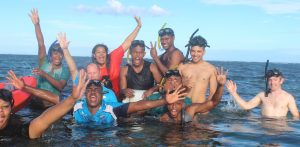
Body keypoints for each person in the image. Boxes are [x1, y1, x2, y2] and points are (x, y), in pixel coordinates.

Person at [0, 69, 87, 139]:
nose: (1, 112)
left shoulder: (18, 132)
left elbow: (44, 120)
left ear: (11, 107)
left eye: (5, 107)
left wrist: (72, 99)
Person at [73, 77, 186, 125]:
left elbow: (138, 106)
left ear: (102, 94)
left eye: (96, 90)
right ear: (84, 93)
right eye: (89, 90)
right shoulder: (75, 107)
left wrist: (164, 100)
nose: (93, 92)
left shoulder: (111, 108)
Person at [57, 32, 117, 102]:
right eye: (89, 73)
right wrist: (65, 49)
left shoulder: (109, 93)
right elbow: (73, 70)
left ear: (99, 73)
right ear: (86, 75)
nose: (92, 76)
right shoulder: (81, 88)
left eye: (94, 73)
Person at [91, 16, 142, 99]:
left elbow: (128, 42)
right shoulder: (92, 70)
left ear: (107, 53)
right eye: (98, 52)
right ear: (94, 55)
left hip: (118, 97)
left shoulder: (113, 57)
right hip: (101, 100)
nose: (101, 55)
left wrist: (138, 26)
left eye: (103, 52)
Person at [29, 9, 70, 108]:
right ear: (50, 55)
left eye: (60, 54)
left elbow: (60, 86)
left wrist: (44, 74)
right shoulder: (43, 62)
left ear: (63, 55)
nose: (58, 56)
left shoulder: (65, 71)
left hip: (51, 106)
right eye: (55, 53)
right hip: (36, 103)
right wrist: (37, 25)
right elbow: (41, 44)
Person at [159, 67, 226, 123]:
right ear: (166, 104)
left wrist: (220, 86)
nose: (173, 107)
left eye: (178, 104)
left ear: (183, 104)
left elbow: (213, 102)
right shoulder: (164, 118)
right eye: (170, 104)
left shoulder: (190, 110)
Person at [226, 68, 299, 119]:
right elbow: (246, 106)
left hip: (280, 131)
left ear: (281, 81)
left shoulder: (288, 97)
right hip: (263, 130)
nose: (272, 82)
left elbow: (296, 116)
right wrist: (233, 93)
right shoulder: (262, 95)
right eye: (270, 80)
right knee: (237, 127)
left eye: (275, 80)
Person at [178, 35, 217, 103]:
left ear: (204, 52)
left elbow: (212, 93)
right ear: (190, 51)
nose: (195, 54)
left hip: (200, 108)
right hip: (183, 106)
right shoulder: (182, 67)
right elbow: (174, 88)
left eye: (199, 51)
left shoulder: (211, 69)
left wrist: (205, 108)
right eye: (193, 51)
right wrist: (183, 84)